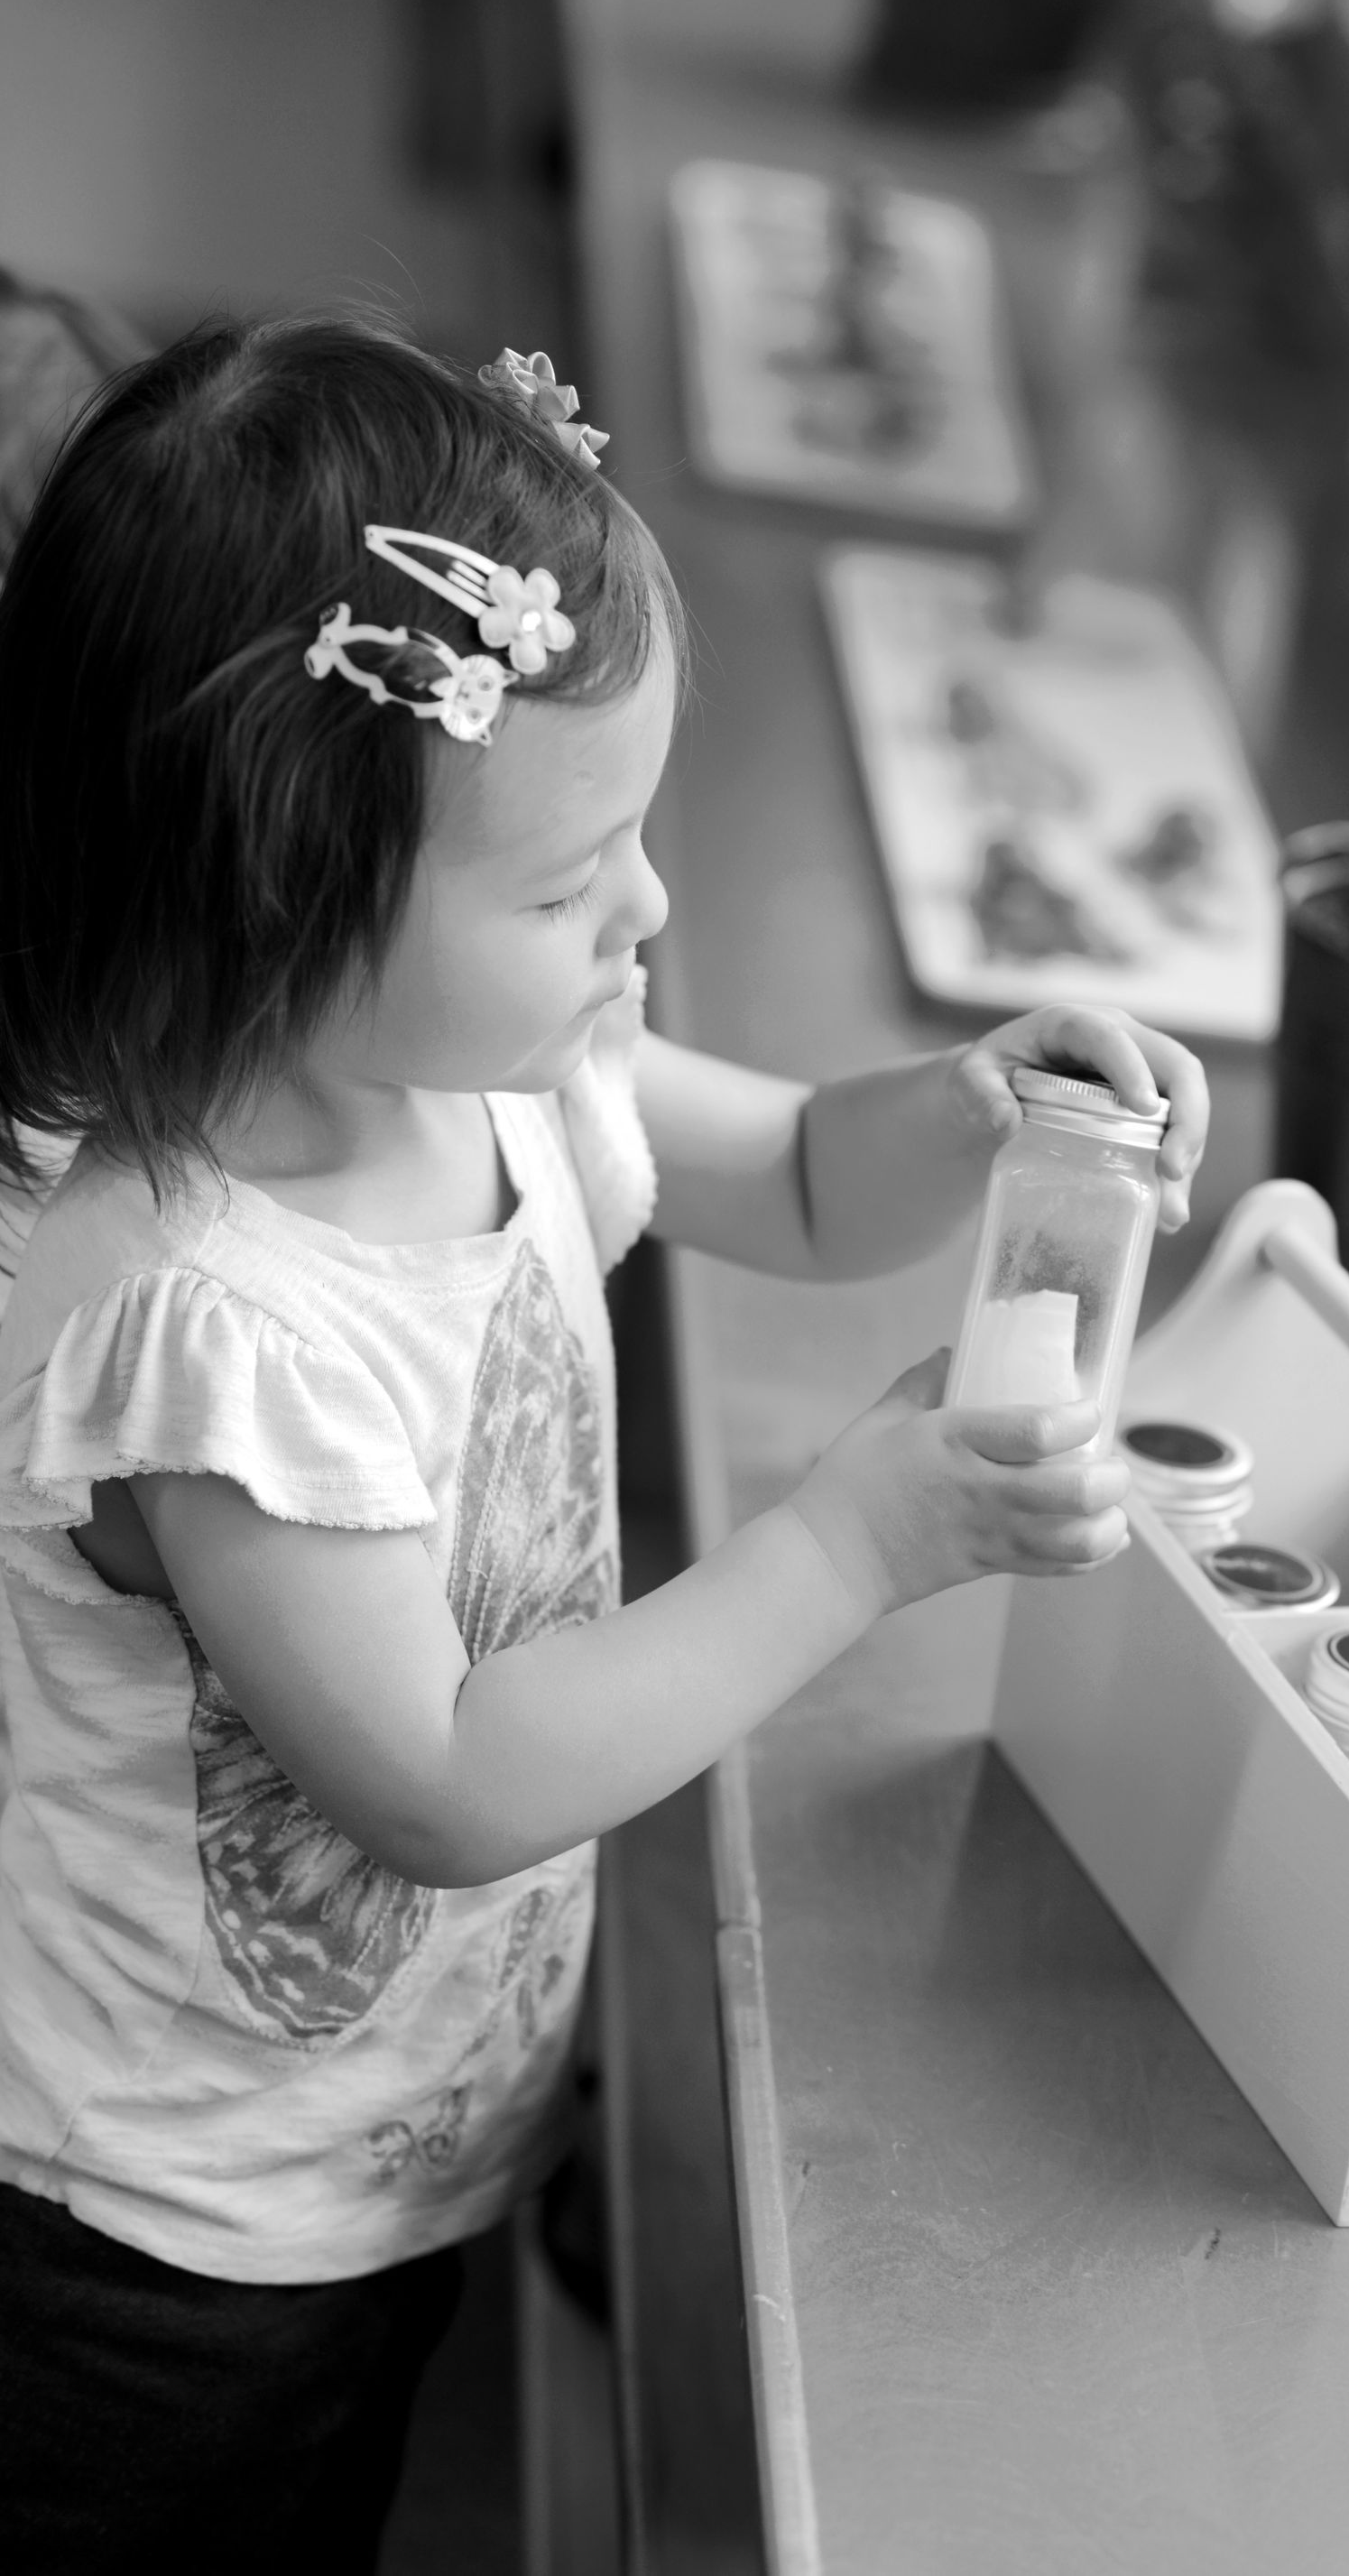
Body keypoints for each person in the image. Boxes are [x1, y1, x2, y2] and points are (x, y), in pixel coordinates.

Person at [0, 317, 1209, 2573]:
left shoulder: (495, 1064)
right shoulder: (211, 1331)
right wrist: (854, 1538)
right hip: (161, 2256)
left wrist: (968, 1107)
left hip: (357, 2148)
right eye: (571, 882)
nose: (644, 912)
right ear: (281, 916)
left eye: (636, 837)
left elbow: (804, 1180)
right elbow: (444, 1778)